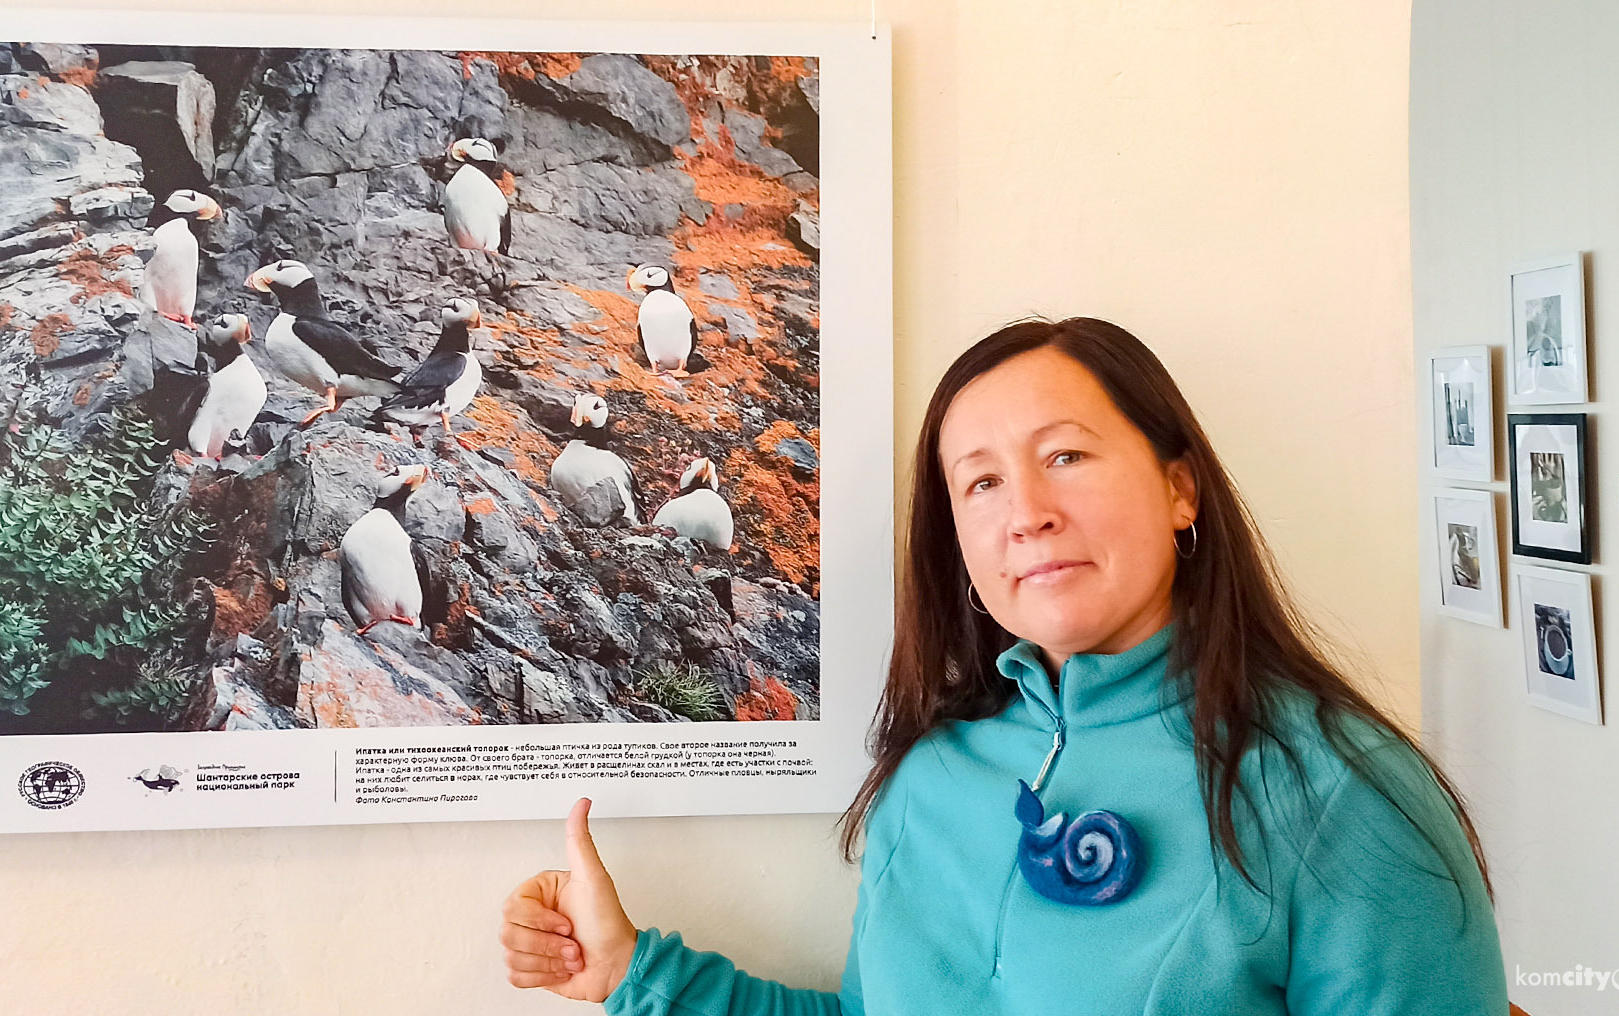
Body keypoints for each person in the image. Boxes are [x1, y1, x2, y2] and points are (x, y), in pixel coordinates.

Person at [498, 317, 1508, 1014]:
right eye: (978, 481)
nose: (1025, 510)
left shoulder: (1340, 793)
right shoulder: (934, 775)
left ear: (1180, 488)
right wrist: (632, 971)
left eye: (1065, 456)